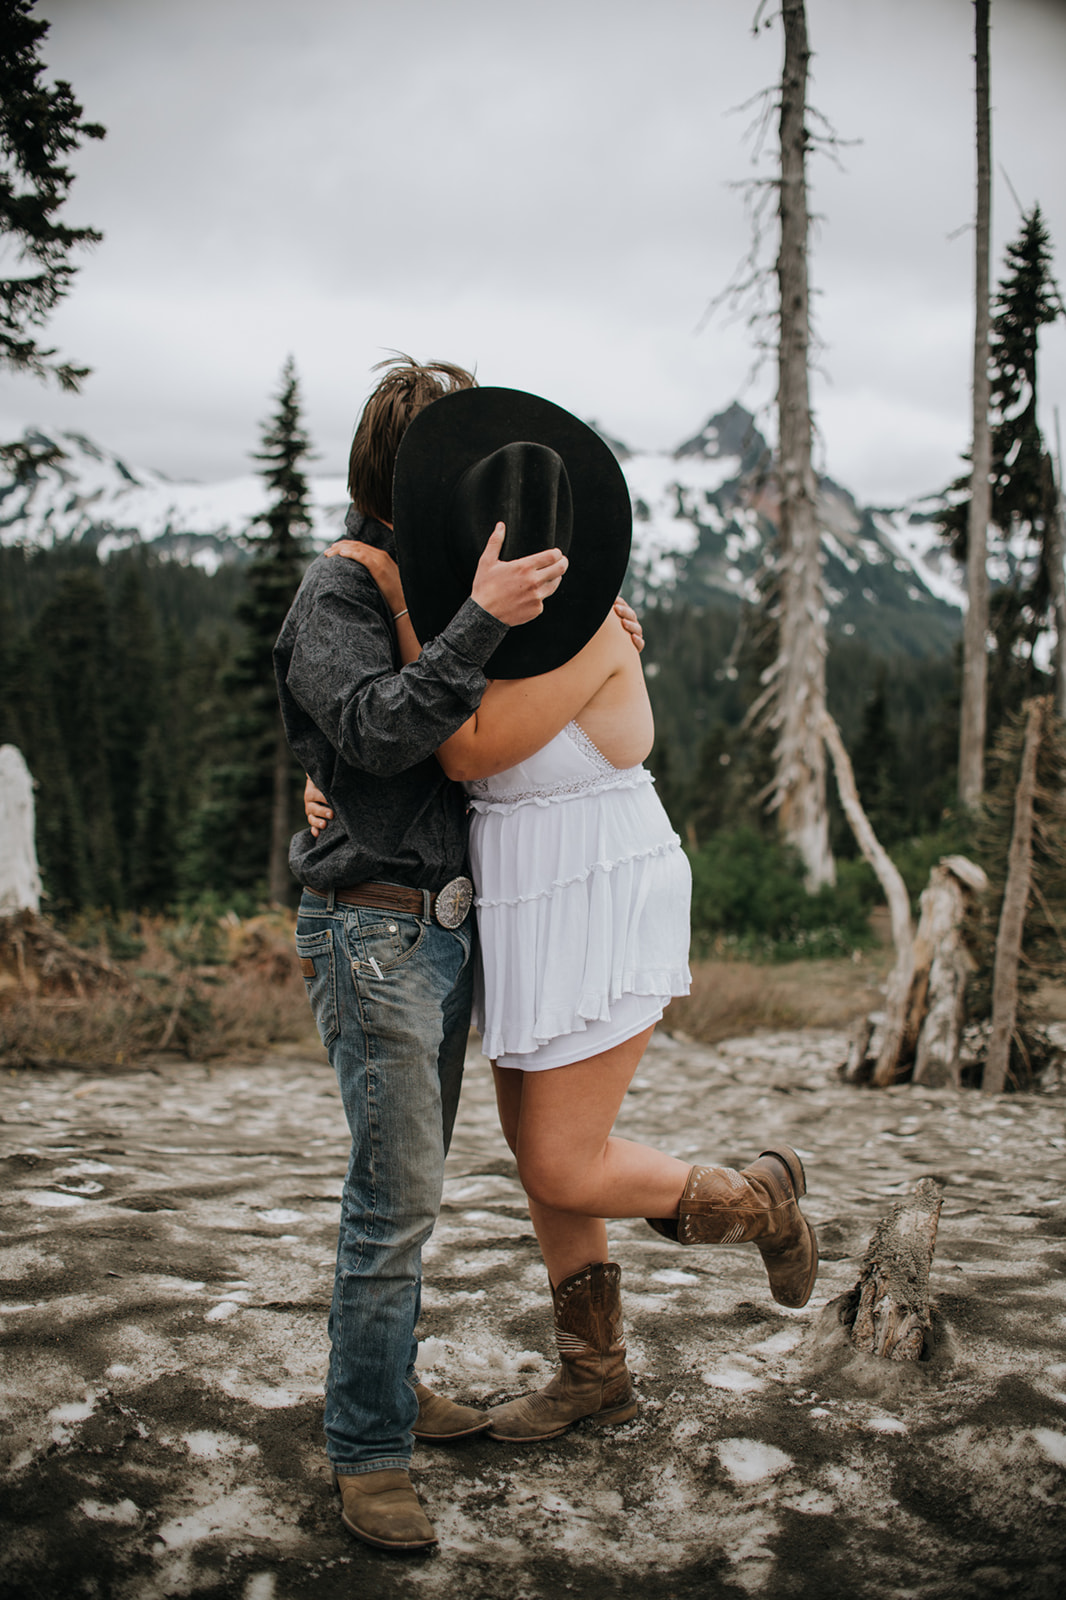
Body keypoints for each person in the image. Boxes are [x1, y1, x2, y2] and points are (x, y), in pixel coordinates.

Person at [315, 385, 818, 1453]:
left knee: (560, 1159)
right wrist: (331, 786)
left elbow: (464, 748)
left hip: (597, 881)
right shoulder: (476, 617)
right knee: (540, 1148)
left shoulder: (587, 629)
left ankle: (758, 1200)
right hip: (524, 883)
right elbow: (401, 730)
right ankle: (596, 1372)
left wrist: (393, 586)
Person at [274, 357, 645, 1555]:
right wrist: (484, 622)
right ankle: (368, 1451)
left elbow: (468, 752)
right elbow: (380, 731)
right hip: (376, 931)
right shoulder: (336, 593)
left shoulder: (434, 590)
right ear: (403, 480)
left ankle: (383, 1395)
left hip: (441, 927)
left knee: (407, 1200)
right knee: (392, 1205)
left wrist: (583, 634)